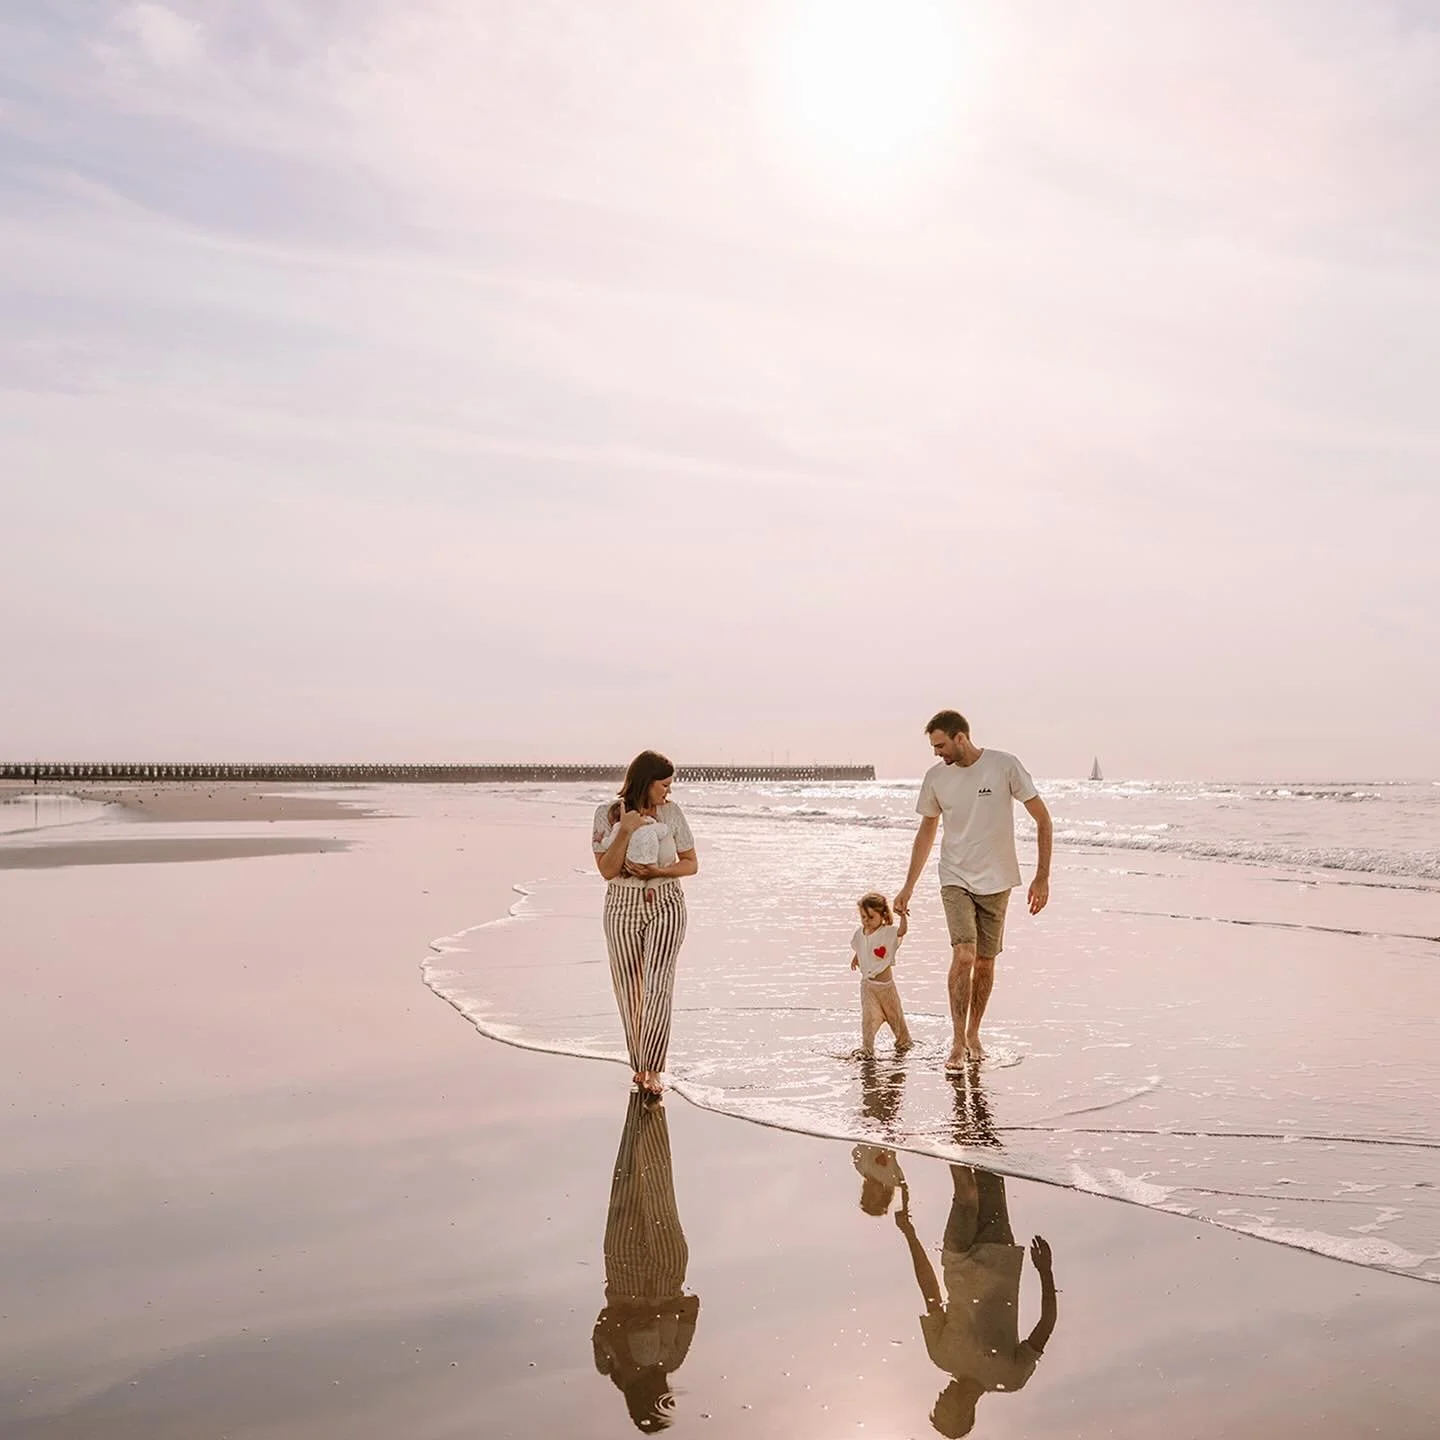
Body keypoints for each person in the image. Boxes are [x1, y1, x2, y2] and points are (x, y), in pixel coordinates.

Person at [894, 710, 1052, 1069]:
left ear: (960, 737)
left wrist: (1042, 876)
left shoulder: (1004, 766)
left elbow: (1043, 819)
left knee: (985, 961)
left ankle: (973, 1033)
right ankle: (955, 1040)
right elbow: (927, 832)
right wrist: (908, 886)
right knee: (964, 954)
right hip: (955, 876)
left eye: (940, 745)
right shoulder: (935, 778)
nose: (937, 753)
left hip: (997, 880)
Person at [894, 1163, 1058, 1437]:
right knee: (988, 1169)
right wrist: (1045, 1271)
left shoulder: (940, 1356)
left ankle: (953, 1128)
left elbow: (930, 1292)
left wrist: (910, 1234)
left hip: (958, 1258)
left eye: (938, 1401)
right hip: (998, 1250)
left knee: (966, 1193)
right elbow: (1046, 1324)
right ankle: (976, 1121)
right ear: (965, 1413)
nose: (941, 1395)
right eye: (944, 1404)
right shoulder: (1010, 1377)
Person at [592, 1091, 700, 1432]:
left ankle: (648, 1103)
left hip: (662, 1274)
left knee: (652, 1183)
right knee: (635, 1182)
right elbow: (602, 1322)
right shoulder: (610, 1364)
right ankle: (644, 1101)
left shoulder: (668, 1359)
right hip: (628, 1273)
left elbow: (691, 1308)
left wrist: (656, 1314)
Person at [592, 751, 698, 1096]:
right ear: (646, 782)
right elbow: (607, 870)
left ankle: (654, 1070)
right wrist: (626, 829)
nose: (668, 791)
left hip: (666, 902)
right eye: (663, 785)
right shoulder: (606, 814)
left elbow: (691, 864)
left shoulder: (672, 813)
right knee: (629, 988)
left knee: (657, 986)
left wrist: (659, 871)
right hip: (621, 906)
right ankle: (639, 1064)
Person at [850, 891, 913, 1056]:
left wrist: (903, 917)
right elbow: (861, 947)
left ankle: (903, 1046)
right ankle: (867, 1050)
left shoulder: (887, 932)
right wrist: (856, 958)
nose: (866, 921)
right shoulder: (860, 933)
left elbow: (902, 932)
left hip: (887, 989)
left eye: (871, 917)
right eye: (863, 917)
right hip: (868, 987)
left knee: (897, 1021)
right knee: (868, 1021)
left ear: (883, 915)